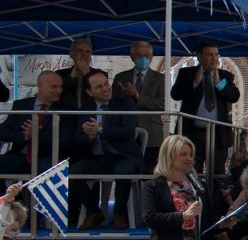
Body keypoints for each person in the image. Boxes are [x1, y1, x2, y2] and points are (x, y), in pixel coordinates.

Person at [64, 70, 142, 229]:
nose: (105, 89)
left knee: (125, 171)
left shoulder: (125, 104)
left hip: (122, 156)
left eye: (106, 83)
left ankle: (119, 214)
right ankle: (95, 211)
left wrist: (101, 131)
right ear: (89, 92)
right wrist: (89, 137)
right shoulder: (84, 110)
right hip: (96, 158)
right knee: (71, 173)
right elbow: (76, 141)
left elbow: (128, 132)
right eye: (99, 87)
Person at [170, 42, 240, 175]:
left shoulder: (225, 76)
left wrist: (220, 84)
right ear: (199, 57)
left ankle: (214, 196)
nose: (214, 59)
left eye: (216, 55)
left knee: (217, 172)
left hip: (217, 134)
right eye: (209, 55)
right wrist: (195, 83)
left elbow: (234, 96)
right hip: (192, 133)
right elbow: (175, 94)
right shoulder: (187, 73)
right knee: (191, 171)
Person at [0, 71, 65, 183]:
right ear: (39, 86)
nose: (59, 90)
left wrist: (37, 135)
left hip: (48, 156)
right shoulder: (21, 105)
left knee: (50, 173)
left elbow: (65, 140)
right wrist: (24, 136)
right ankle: (4, 199)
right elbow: (4, 131)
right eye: (54, 87)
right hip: (21, 156)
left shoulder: (66, 109)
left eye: (60, 87)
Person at [112, 41, 165, 172]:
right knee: (126, 172)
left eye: (147, 55)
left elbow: (162, 104)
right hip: (126, 132)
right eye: (139, 55)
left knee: (149, 172)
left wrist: (138, 96)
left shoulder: (159, 78)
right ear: (132, 57)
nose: (143, 58)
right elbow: (113, 104)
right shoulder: (121, 77)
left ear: (152, 57)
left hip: (152, 133)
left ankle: (147, 193)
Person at [54, 38, 95, 109]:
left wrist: (87, 73)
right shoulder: (60, 74)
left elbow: (100, 94)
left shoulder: (100, 74)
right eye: (80, 51)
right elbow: (55, 93)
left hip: (91, 114)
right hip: (66, 115)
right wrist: (71, 77)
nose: (84, 54)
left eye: (88, 52)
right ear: (71, 54)